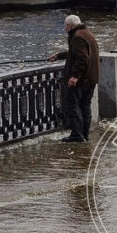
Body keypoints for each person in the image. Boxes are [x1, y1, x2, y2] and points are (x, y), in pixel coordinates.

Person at [48, 14, 99, 143]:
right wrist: (59, 55)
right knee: (85, 107)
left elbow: (82, 58)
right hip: (91, 78)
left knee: (74, 106)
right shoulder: (87, 34)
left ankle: (76, 134)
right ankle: (84, 134)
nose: (65, 29)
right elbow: (75, 53)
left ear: (70, 25)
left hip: (81, 80)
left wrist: (75, 76)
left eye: (65, 26)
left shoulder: (76, 37)